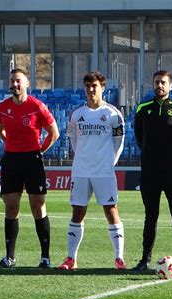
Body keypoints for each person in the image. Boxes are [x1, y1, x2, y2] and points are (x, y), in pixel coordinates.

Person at [58, 71, 126, 271]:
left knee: (111, 211)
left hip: (104, 171)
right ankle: (71, 258)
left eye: (94, 85)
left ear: (103, 88)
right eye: (87, 86)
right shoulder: (77, 114)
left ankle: (119, 258)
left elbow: (118, 143)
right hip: (81, 171)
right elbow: (73, 141)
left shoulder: (113, 114)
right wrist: (83, 159)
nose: (90, 89)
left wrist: (108, 162)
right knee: (78, 212)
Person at [0, 68, 60, 269]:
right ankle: (10, 257)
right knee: (11, 207)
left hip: (32, 159)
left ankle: (45, 258)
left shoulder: (37, 106)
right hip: (11, 160)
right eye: (12, 81)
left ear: (27, 84)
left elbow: (54, 133)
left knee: (37, 206)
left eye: (18, 81)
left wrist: (39, 150)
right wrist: (11, 144)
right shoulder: (2, 107)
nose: (15, 84)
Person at [133, 70, 172, 272]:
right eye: (157, 82)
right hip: (149, 172)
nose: (159, 86)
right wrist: (151, 156)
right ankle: (144, 260)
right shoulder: (143, 108)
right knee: (151, 216)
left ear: (170, 86)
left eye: (163, 83)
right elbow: (139, 137)